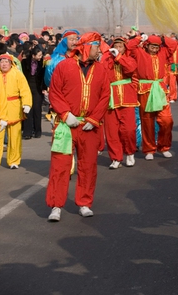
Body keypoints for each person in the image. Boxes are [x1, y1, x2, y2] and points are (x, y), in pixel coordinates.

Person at [45, 32, 110, 221]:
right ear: (86, 47)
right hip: (66, 126)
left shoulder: (101, 69)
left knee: (88, 166)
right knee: (60, 165)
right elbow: (55, 92)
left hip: (89, 126)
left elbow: (105, 96)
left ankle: (84, 202)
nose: (99, 50)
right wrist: (65, 114)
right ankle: (56, 205)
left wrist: (93, 119)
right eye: (96, 46)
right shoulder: (64, 66)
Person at [126, 34, 173, 159]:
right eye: (152, 46)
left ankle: (164, 146)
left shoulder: (162, 53)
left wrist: (163, 38)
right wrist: (139, 38)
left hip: (160, 88)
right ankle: (149, 149)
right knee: (147, 120)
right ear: (147, 46)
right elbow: (129, 46)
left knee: (166, 120)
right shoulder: (140, 53)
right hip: (145, 89)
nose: (155, 49)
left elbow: (173, 45)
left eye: (157, 46)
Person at [101, 37, 138, 169]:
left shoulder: (129, 59)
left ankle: (129, 153)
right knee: (111, 131)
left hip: (127, 97)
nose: (117, 49)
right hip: (110, 98)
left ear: (124, 48)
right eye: (115, 46)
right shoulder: (106, 60)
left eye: (120, 46)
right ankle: (116, 157)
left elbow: (130, 69)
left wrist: (119, 57)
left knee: (128, 129)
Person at [0, 53, 32, 168]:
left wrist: (26, 103)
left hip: (14, 107)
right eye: (1, 62)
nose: (4, 64)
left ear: (10, 63)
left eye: (6, 62)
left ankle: (14, 160)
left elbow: (25, 89)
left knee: (15, 136)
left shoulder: (17, 74)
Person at [21, 46, 46, 139]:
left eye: (41, 55)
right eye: (39, 55)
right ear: (33, 55)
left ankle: (37, 131)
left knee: (37, 109)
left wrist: (44, 88)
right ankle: (27, 132)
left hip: (37, 88)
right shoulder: (24, 62)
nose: (40, 57)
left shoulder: (42, 63)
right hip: (27, 87)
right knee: (28, 109)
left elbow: (44, 76)